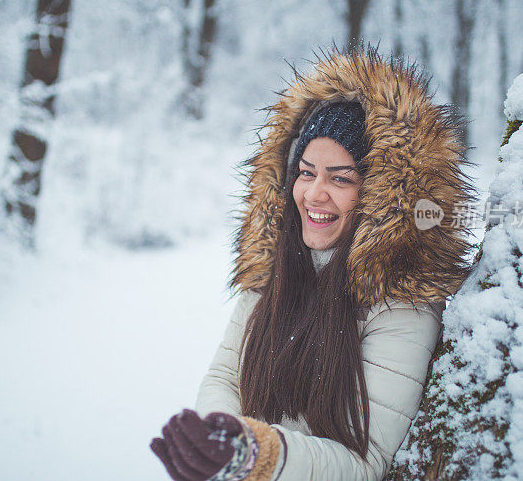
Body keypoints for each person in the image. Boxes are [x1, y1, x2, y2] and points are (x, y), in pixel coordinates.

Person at [150, 47, 475, 480]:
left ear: (384, 196)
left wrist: (258, 456)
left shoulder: (399, 301)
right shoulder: (274, 267)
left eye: (341, 178)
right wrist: (219, 437)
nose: (314, 193)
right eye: (306, 172)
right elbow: (225, 377)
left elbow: (365, 461)